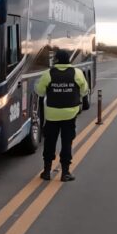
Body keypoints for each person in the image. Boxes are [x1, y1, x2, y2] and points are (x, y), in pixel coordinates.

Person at [34, 49, 90, 182]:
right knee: (67, 142)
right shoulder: (77, 73)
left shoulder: (48, 74)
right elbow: (84, 90)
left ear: (56, 60)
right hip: (70, 114)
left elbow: (40, 92)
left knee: (50, 142)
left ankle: (47, 172)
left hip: (52, 114)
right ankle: (65, 173)